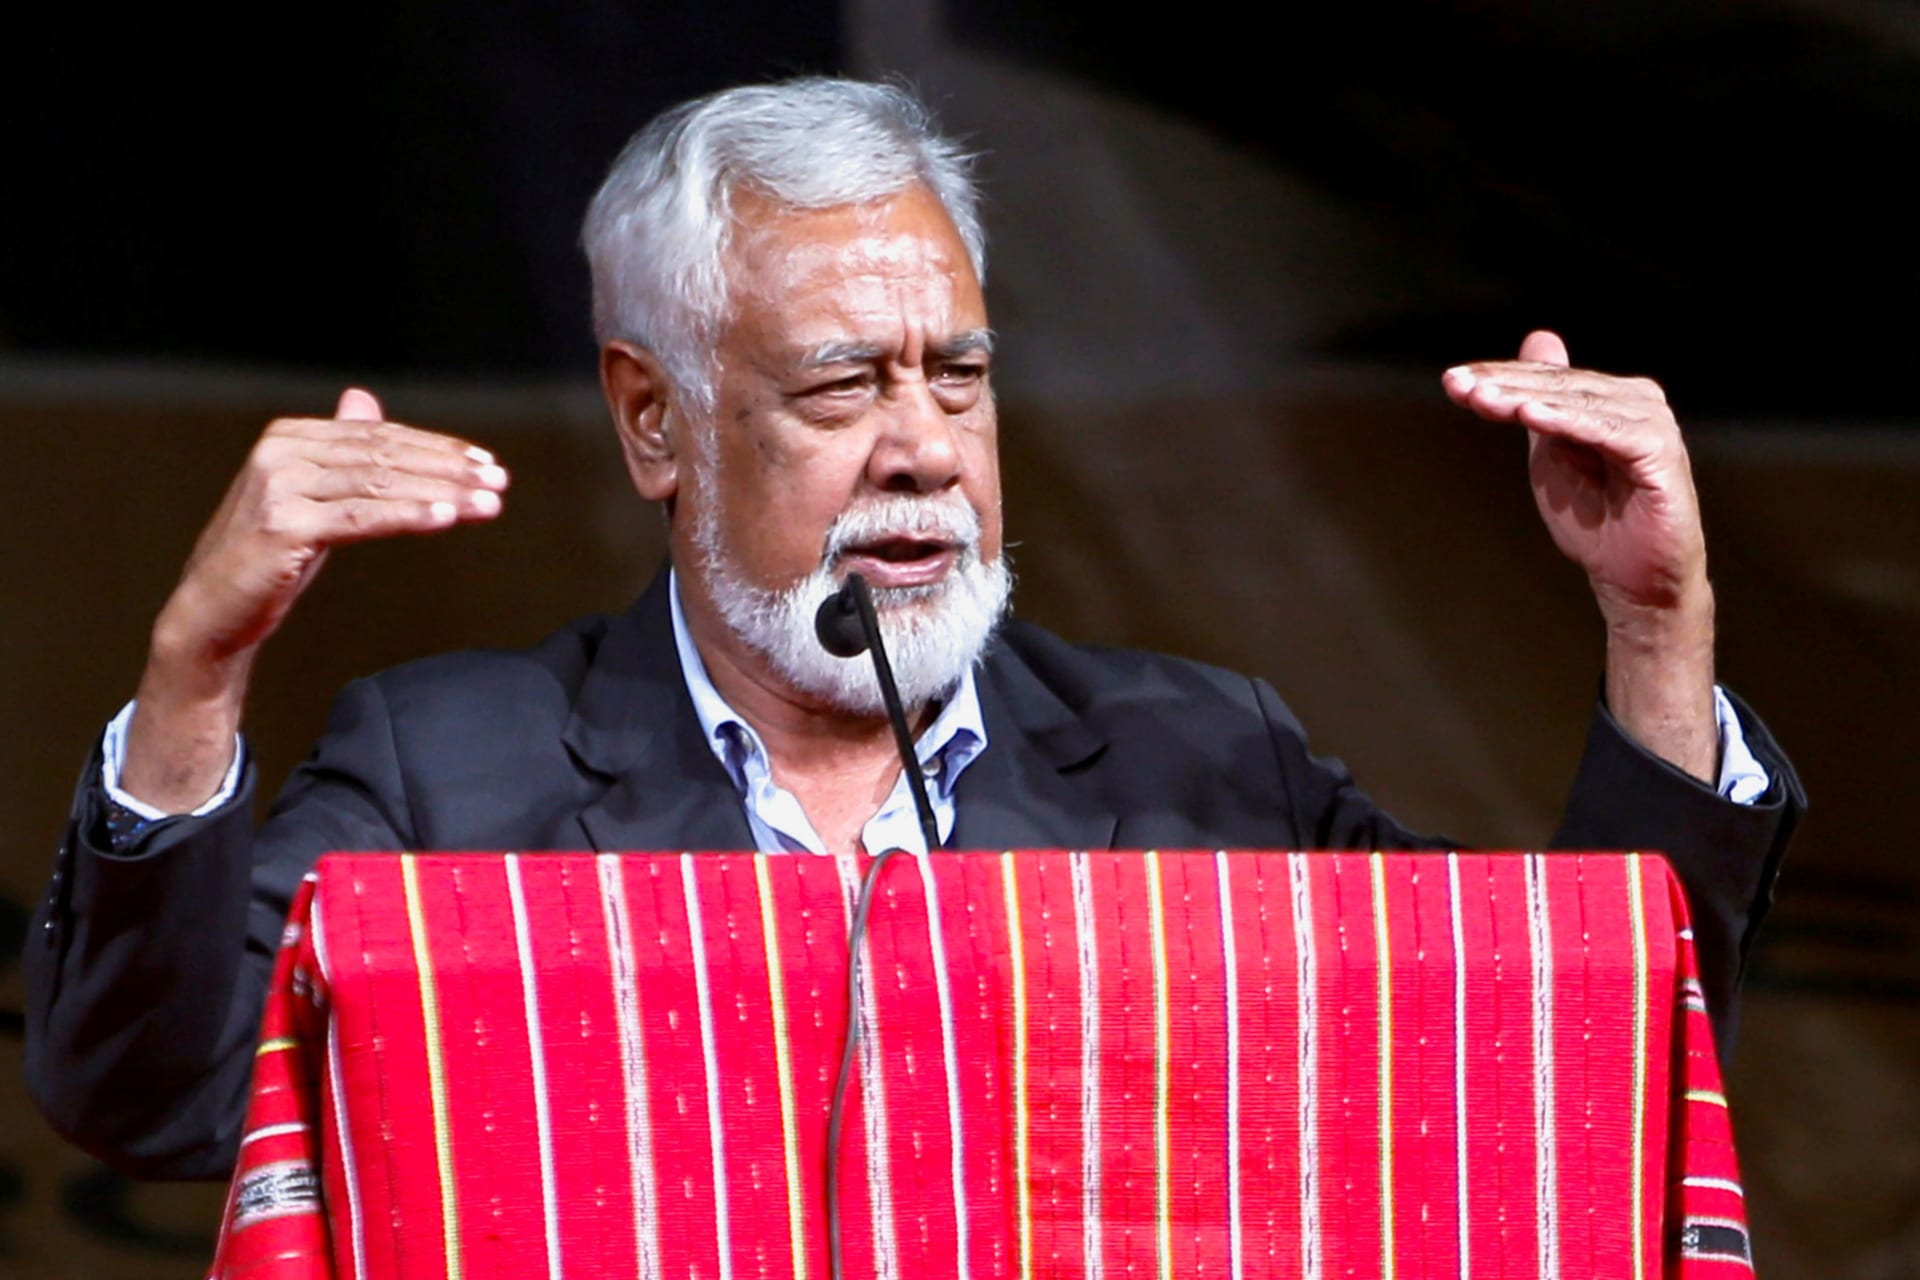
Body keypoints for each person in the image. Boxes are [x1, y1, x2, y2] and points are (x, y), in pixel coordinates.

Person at [25, 78, 1801, 1180]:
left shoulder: (1204, 764)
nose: (926, 448)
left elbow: (1567, 1079)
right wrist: (195, 681)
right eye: (841, 384)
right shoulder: (448, 771)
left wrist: (1657, 632)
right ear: (656, 424)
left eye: (958, 374)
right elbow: (158, 1108)